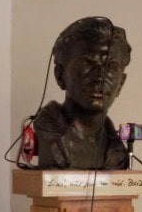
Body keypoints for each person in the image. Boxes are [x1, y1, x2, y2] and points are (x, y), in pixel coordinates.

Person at [31, 16, 131, 170]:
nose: (99, 77)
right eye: (87, 64)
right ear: (60, 76)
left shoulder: (118, 152)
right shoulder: (51, 135)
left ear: (121, 84)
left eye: (110, 67)